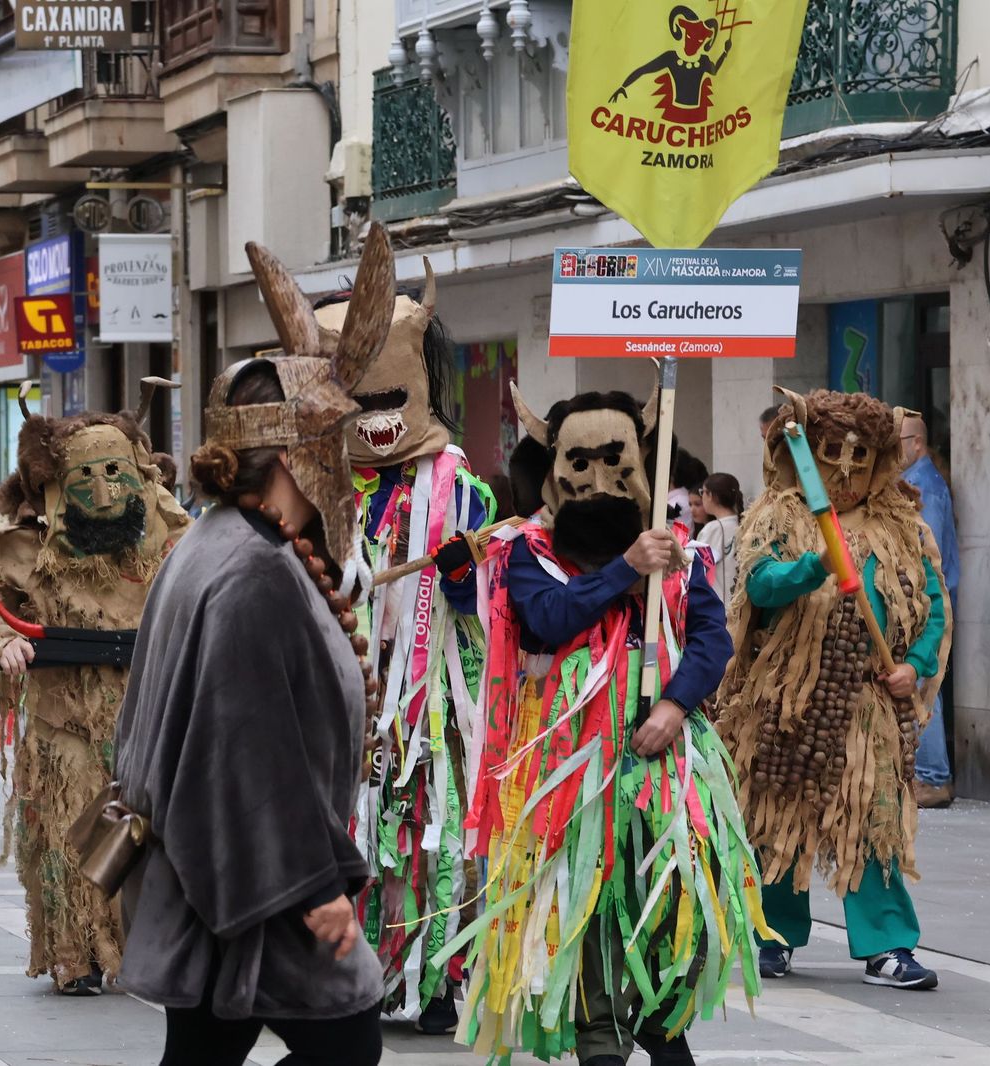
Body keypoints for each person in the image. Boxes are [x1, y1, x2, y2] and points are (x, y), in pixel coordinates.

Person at [113, 231, 397, 1065]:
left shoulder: (215, 544)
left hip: (217, 873)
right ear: (300, 454)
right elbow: (252, 746)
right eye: (334, 446)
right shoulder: (254, 570)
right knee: (349, 1049)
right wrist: (317, 887)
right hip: (256, 884)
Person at [455, 380, 768, 1066]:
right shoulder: (529, 552)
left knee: (675, 898)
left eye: (614, 461)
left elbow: (711, 638)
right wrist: (625, 568)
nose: (598, 480)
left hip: (668, 766)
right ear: (552, 470)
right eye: (580, 462)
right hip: (571, 773)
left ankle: (662, 1024)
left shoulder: (679, 550)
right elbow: (549, 618)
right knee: (588, 904)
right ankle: (601, 1037)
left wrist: (674, 704)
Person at [313, 244, 493, 1033]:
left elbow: (486, 601)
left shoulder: (460, 487)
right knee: (356, 830)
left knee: (433, 834)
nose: (379, 419)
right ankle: (360, 973)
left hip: (434, 705)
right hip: (350, 699)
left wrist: (461, 576)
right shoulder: (326, 491)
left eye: (391, 399)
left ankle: (440, 977)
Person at [0, 382, 189, 996]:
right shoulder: (25, 543)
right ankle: (74, 954)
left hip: (150, 712)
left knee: (152, 835)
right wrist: (1, 642)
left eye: (116, 471)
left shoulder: (171, 536)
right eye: (86, 474)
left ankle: (144, 946)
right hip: (65, 717)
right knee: (70, 833)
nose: (105, 489)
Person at [716, 389, 950, 992]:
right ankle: (772, 936)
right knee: (779, 816)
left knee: (875, 818)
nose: (845, 479)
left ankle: (887, 945)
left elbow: (932, 606)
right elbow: (760, 586)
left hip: (870, 701)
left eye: (859, 464)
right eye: (831, 463)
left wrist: (914, 665)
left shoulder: (902, 525)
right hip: (789, 696)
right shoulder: (779, 516)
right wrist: (815, 565)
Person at [900, 414, 959, 808]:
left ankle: (934, 777)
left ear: (917, 442)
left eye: (898, 442)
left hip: (928, 597)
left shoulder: (926, 488)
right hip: (922, 596)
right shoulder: (918, 481)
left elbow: (928, 553)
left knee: (926, 682)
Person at [696, 471, 744, 601]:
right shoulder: (744, 523)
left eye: (702, 492)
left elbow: (697, 568)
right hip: (739, 603)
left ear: (710, 495)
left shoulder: (714, 528)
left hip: (718, 604)